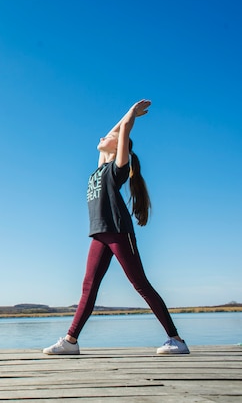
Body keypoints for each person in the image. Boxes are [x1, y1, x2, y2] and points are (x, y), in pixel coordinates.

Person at [43, 100, 189, 355]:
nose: (103, 136)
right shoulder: (99, 168)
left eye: (110, 137)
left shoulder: (116, 168)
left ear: (119, 145)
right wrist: (124, 118)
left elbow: (123, 132)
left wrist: (131, 114)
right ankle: (71, 341)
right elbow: (116, 131)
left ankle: (176, 340)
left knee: (141, 284)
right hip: (99, 234)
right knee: (88, 286)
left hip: (119, 232)